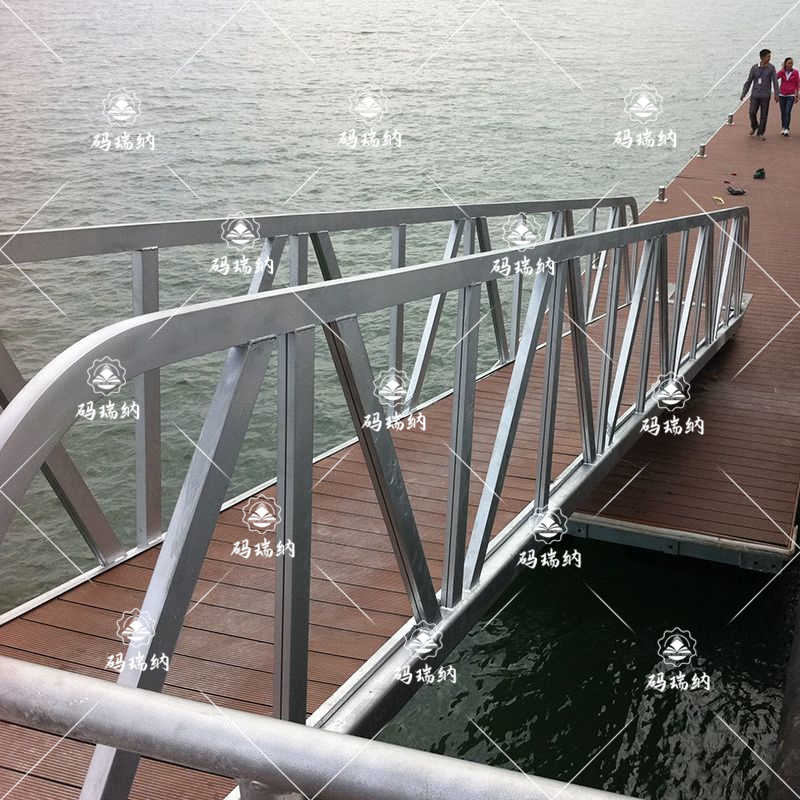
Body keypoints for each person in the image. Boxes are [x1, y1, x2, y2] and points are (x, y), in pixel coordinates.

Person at [741, 49, 780, 139]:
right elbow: (749, 81)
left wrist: (776, 94)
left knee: (764, 115)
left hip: (765, 96)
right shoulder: (754, 68)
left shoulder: (771, 68)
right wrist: (743, 93)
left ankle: (760, 133)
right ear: (762, 57)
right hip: (755, 95)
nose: (769, 58)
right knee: (752, 112)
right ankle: (754, 126)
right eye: (768, 57)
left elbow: (775, 81)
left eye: (770, 57)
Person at [777, 57, 800, 135]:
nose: (791, 64)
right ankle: (783, 127)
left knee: (787, 111)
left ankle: (787, 128)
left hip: (791, 95)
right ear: (785, 64)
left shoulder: (795, 72)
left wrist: (797, 95)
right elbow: (776, 77)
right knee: (783, 112)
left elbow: (797, 84)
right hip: (782, 94)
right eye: (789, 63)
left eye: (791, 63)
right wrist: (781, 70)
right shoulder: (782, 72)